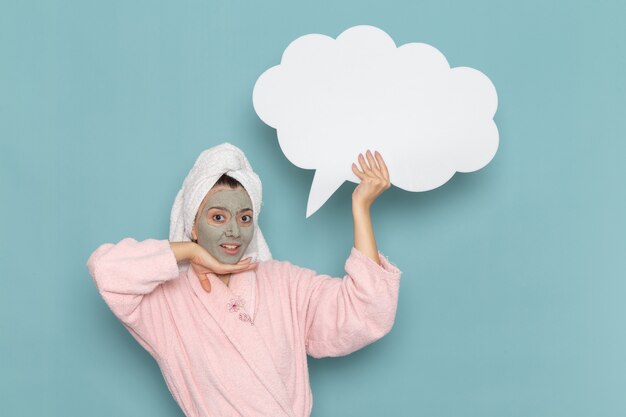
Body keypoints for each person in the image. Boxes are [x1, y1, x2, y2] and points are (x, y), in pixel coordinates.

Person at [87, 143, 401, 417]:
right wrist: (189, 253)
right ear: (193, 225)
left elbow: (367, 311)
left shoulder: (284, 283)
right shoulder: (168, 303)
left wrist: (361, 208)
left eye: (245, 217)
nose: (234, 231)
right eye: (218, 217)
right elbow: (108, 271)